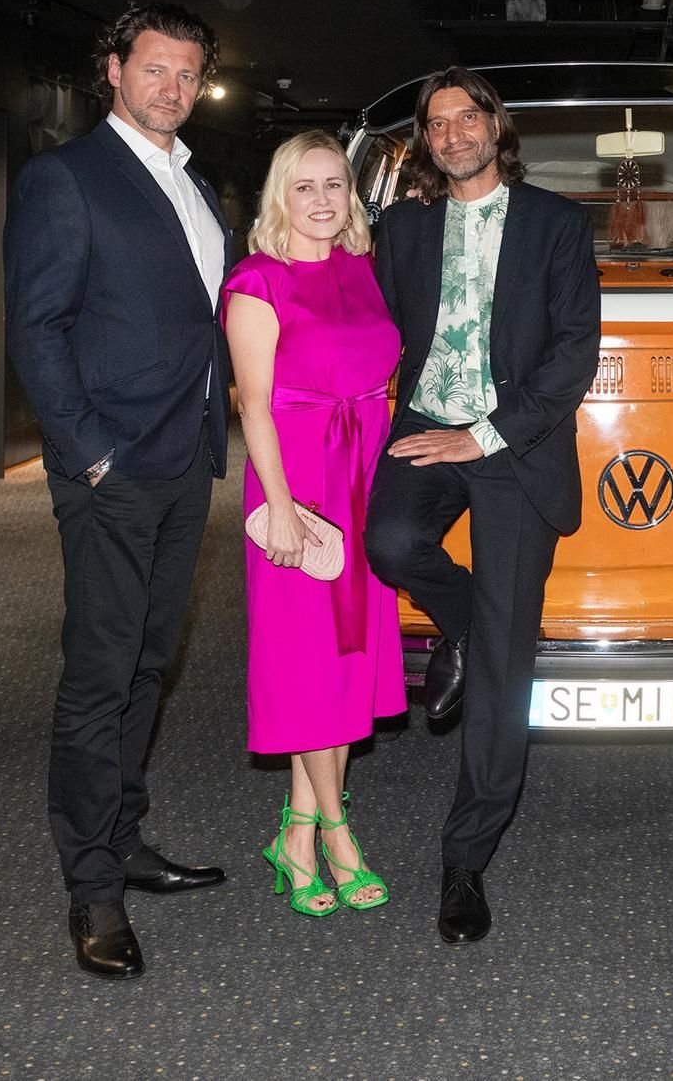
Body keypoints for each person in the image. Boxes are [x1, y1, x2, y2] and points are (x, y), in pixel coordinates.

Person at [4, 2, 231, 980]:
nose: (172, 88)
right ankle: (92, 887)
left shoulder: (196, 183)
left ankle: (124, 838)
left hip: (183, 461)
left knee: (148, 663)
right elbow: (36, 326)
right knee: (100, 675)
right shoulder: (67, 178)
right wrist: (90, 452)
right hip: (112, 468)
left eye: (187, 74)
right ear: (113, 70)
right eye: (155, 69)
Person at [361, 66, 600, 945]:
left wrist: (487, 435)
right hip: (426, 427)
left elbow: (573, 354)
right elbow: (364, 319)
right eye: (437, 123)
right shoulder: (403, 227)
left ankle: (466, 858)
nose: (454, 133)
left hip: (515, 446)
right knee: (389, 543)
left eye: (468, 118)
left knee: (505, 666)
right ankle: (464, 626)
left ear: (496, 127)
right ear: (425, 140)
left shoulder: (556, 223)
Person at [223, 131, 406, 918]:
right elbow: (255, 408)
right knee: (305, 663)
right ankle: (337, 833)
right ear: (280, 197)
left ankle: (295, 836)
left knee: (346, 661)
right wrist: (282, 508)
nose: (323, 199)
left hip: (363, 476)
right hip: (296, 481)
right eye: (305, 186)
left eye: (335, 183)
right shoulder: (256, 280)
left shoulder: (363, 268)